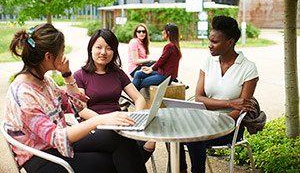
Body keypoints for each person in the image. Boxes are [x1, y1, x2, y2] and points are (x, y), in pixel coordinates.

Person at [5, 24, 147, 173]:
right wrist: (100, 120)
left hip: (57, 145)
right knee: (113, 160)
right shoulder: (24, 93)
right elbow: (56, 137)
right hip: (43, 157)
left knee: (119, 138)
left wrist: (67, 74)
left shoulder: (44, 81)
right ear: (48, 56)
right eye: (62, 51)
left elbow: (76, 106)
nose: (64, 55)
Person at [183, 16, 259, 173]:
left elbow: (240, 109)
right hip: (203, 122)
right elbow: (199, 98)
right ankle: (180, 170)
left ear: (230, 42)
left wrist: (218, 119)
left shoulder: (248, 68)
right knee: (175, 129)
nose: (210, 46)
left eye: (215, 42)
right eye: (210, 41)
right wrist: (229, 103)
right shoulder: (207, 62)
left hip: (229, 128)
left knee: (194, 135)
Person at [73, 29, 155, 162]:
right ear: (91, 49)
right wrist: (106, 121)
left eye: (109, 48)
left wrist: (136, 118)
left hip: (119, 125)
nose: (103, 52)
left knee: (150, 142)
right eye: (99, 47)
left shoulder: (118, 74)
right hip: (94, 126)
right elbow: (82, 110)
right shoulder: (80, 75)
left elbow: (139, 98)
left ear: (114, 52)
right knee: (126, 146)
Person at [132, 23, 182, 91]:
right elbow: (162, 61)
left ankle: (131, 97)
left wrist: (151, 70)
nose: (162, 32)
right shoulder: (175, 46)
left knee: (140, 82)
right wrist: (149, 68)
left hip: (164, 77)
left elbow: (162, 60)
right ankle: (131, 97)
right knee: (138, 73)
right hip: (162, 74)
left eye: (164, 30)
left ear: (168, 33)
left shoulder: (169, 46)